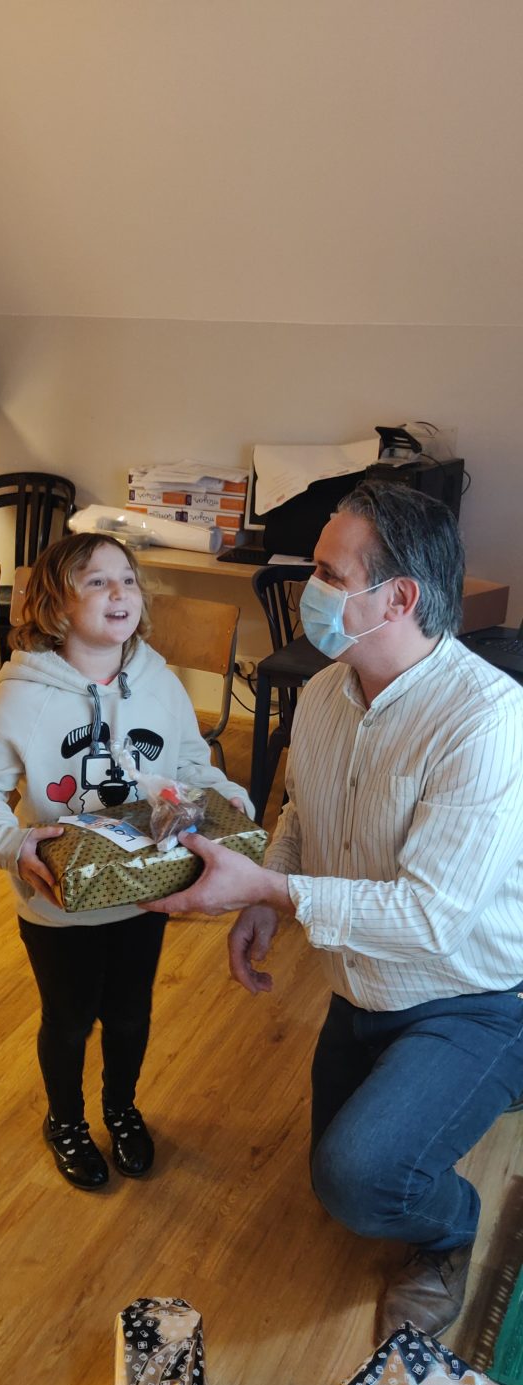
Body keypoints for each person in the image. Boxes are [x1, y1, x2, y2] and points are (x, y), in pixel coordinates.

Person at [145, 482, 523, 1339]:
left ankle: (453, 1232)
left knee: (361, 1181)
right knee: (338, 1180)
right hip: (362, 992)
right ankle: (448, 1094)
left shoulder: (487, 721)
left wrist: (269, 890)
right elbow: (300, 814)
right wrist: (268, 899)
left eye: (327, 572)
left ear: (398, 598)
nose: (306, 587)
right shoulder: (323, 694)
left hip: (471, 996)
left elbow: (431, 920)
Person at [0, 533, 250, 1191]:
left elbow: (190, 766)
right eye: (96, 581)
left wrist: (225, 798)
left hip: (146, 890)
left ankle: (121, 1109)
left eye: (128, 579)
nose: (120, 592)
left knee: (131, 1014)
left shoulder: (160, 682)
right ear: (55, 604)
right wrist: (12, 844)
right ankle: (65, 1121)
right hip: (59, 904)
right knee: (69, 1019)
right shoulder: (23, 696)